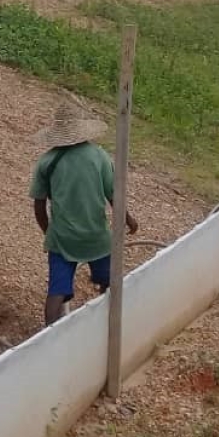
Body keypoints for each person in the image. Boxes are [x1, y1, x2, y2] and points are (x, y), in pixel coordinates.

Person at [30, 102, 137, 327]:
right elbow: (114, 196)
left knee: (57, 292)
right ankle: (111, 324)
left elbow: (39, 206)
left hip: (62, 237)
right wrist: (128, 219)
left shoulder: (47, 161)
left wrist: (49, 233)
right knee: (110, 282)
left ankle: (47, 337)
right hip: (96, 235)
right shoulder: (99, 156)